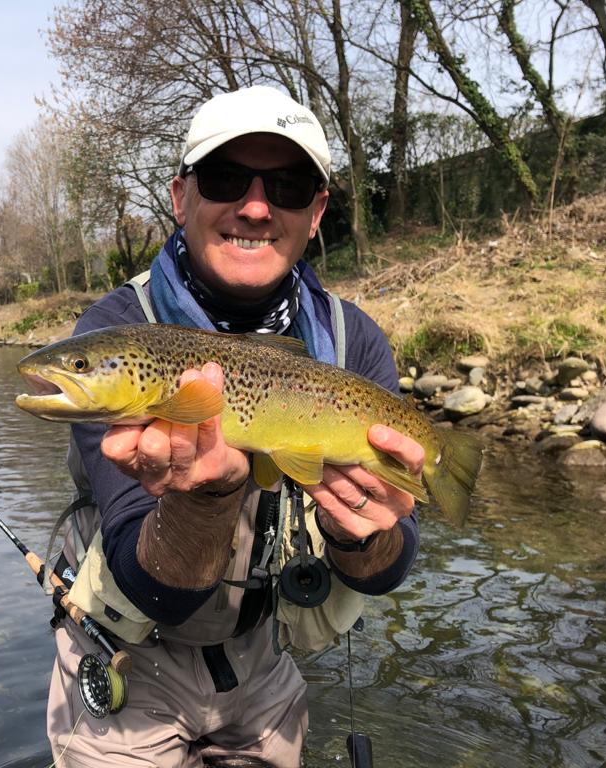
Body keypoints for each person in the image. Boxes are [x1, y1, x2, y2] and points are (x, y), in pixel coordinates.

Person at [46, 85, 423, 768]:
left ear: (316, 212)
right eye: (225, 178)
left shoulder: (351, 342)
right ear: (180, 196)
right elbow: (149, 583)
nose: (255, 206)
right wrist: (207, 497)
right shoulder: (114, 334)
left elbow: (384, 572)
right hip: (128, 655)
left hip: (263, 662)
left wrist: (360, 530)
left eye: (286, 186)